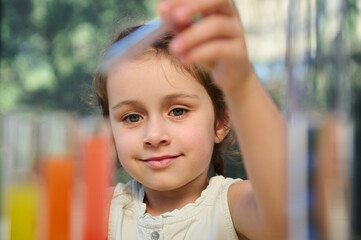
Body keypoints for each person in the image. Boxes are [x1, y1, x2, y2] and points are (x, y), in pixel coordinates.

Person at [93, 0, 287, 239]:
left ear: (221, 121)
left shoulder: (233, 206)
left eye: (178, 111)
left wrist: (242, 83)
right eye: (132, 117)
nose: (154, 136)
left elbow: (287, 216)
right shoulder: (100, 209)